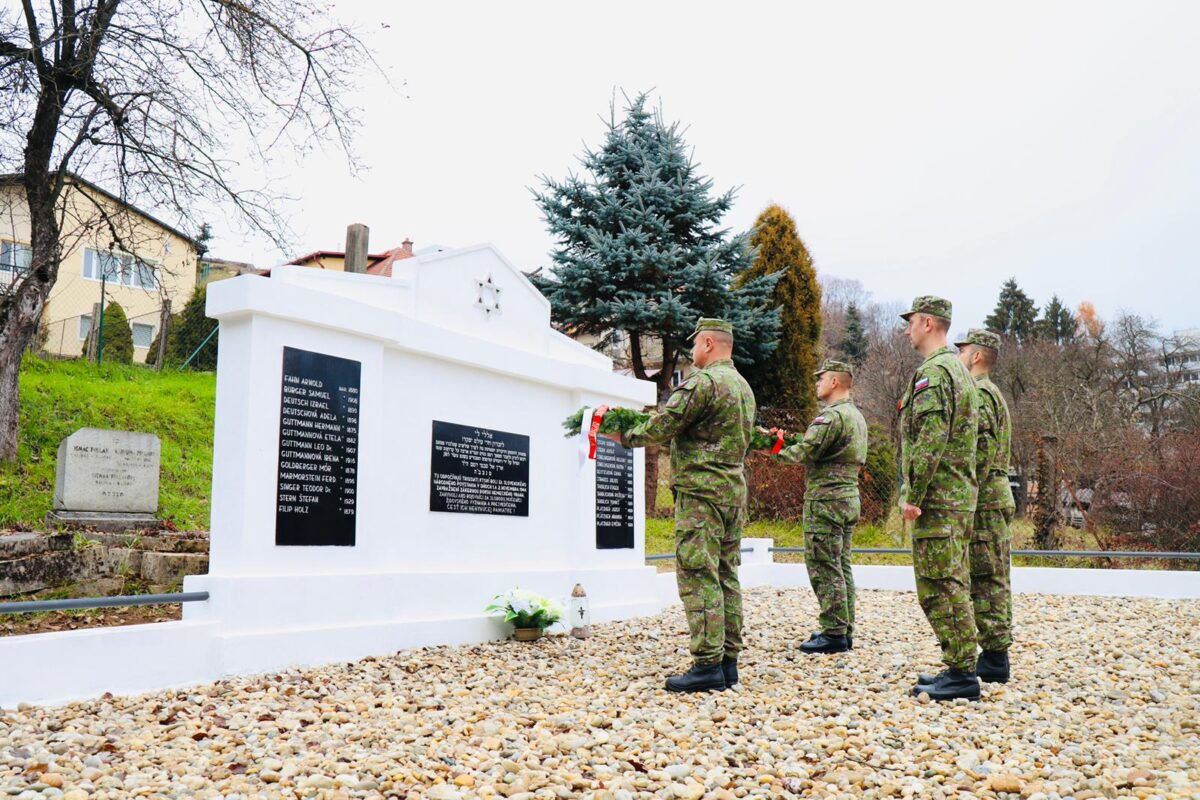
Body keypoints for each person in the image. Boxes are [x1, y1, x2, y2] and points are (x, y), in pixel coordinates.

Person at [610, 318, 756, 692]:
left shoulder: (703, 383)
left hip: (701, 496)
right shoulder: (743, 387)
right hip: (732, 493)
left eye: (694, 346)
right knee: (726, 574)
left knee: (697, 574)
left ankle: (707, 665)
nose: (692, 353)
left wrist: (623, 434)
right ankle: (728, 663)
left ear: (708, 343)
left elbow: (664, 425)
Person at [897, 296, 981, 701]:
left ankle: (963, 673)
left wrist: (913, 494)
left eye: (911, 321)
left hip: (940, 499)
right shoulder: (958, 370)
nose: (907, 328)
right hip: (954, 495)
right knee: (950, 582)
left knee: (939, 586)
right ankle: (959, 664)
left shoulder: (936, 372)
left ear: (928, 323)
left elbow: (930, 441)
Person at [774, 359, 868, 655]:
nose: (817, 383)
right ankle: (843, 627)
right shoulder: (855, 417)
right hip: (848, 498)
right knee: (841, 565)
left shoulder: (830, 418)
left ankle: (834, 633)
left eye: (821, 378)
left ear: (835, 382)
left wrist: (775, 447)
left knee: (824, 565)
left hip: (826, 501)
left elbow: (804, 451)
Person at [952, 328, 1015, 682]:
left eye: (962, 350)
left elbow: (981, 451)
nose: (957, 355)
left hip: (985, 499)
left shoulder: (980, 394)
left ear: (976, 356)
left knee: (987, 575)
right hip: (989, 497)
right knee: (988, 573)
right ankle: (993, 653)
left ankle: (993, 657)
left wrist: (961, 489)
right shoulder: (989, 393)